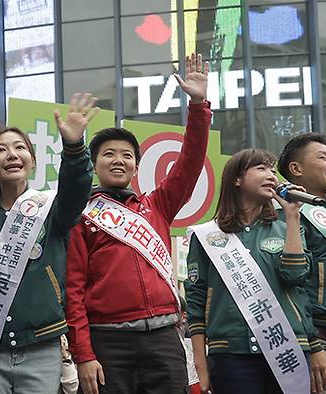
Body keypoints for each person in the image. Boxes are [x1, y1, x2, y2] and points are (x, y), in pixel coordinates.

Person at [65, 53, 211, 394]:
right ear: (94, 164)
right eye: (109, 154)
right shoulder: (80, 214)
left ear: (136, 166)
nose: (118, 160)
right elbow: (73, 289)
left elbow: (190, 162)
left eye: (127, 155)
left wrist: (198, 105)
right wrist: (83, 353)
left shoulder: (158, 203)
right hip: (108, 341)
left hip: (163, 337)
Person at [0, 93, 98, 393]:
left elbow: (76, 189)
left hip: (41, 346)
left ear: (32, 161)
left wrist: (73, 148)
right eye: (0, 150)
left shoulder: (51, 209)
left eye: (20, 148)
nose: (11, 155)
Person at [186, 148, 320, 394]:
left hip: (287, 347)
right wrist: (199, 364)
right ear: (237, 179)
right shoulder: (206, 235)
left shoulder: (286, 227)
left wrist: (292, 217)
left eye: (272, 169)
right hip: (230, 353)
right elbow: (195, 302)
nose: (271, 175)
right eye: (261, 168)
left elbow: (296, 276)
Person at [278, 133, 326, 394]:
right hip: (325, 345)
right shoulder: (284, 215)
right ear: (296, 169)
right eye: (323, 157)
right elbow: (292, 287)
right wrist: (313, 344)